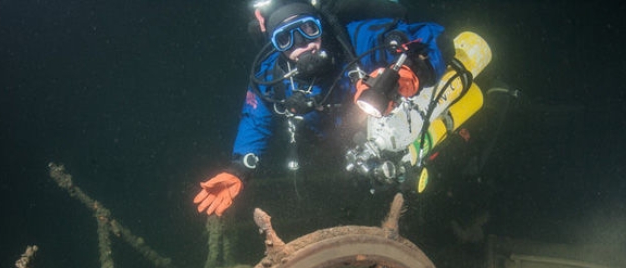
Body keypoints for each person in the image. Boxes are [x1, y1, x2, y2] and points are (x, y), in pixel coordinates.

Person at [194, 0, 454, 216]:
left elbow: (435, 37)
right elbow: (255, 118)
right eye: (286, 39)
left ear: (320, 26)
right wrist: (240, 168)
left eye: (308, 29)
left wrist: (411, 73)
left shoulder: (354, 40)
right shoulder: (271, 74)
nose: (302, 44)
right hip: (336, 146)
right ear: (276, 46)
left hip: (381, 124)